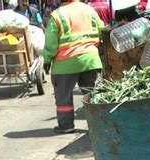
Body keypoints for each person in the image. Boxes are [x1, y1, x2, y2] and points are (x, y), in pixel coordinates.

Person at [43, 0, 104, 134]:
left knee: (63, 97)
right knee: (94, 95)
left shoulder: (57, 15)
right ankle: (100, 124)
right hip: (90, 59)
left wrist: (47, 59)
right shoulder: (89, 11)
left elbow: (50, 42)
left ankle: (66, 126)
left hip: (65, 64)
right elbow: (102, 30)